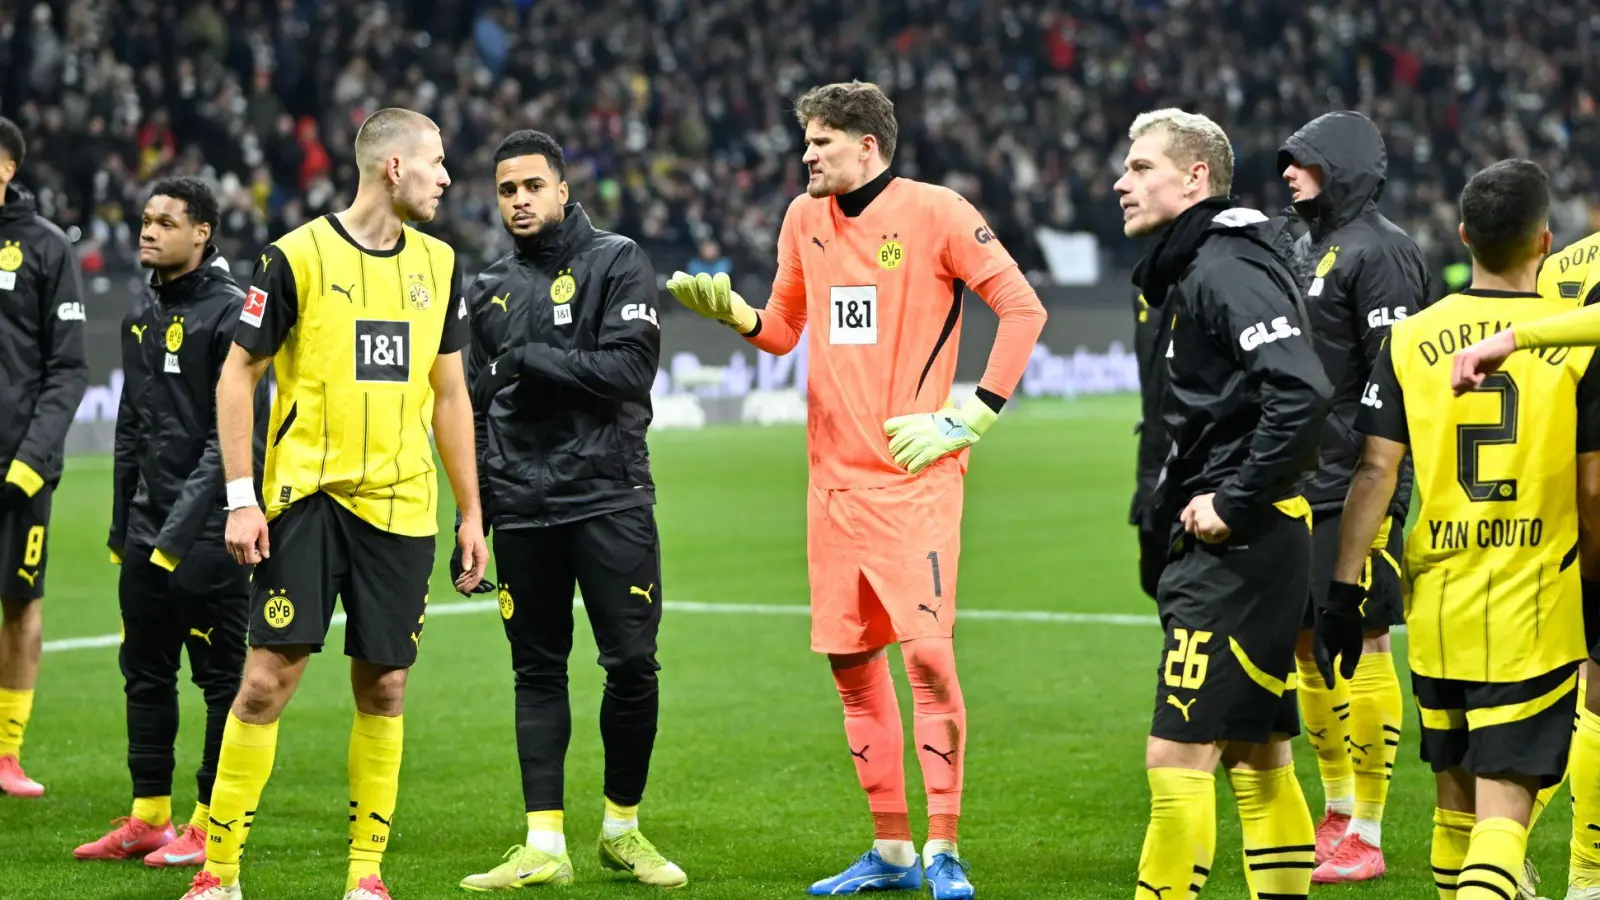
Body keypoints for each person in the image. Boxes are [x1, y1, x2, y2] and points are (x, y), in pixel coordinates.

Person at [665, 80, 1046, 899]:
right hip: (831, 487)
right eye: (805, 140)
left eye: (822, 142)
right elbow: (782, 331)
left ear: (867, 146)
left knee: (932, 661)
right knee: (850, 662)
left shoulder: (938, 212)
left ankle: (945, 847)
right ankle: (895, 851)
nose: (806, 154)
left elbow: (1022, 308)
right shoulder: (804, 220)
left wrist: (970, 415)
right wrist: (733, 313)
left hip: (914, 480)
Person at [177, 107, 489, 900]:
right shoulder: (294, 257)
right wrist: (241, 500)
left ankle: (365, 877)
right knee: (264, 683)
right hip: (306, 500)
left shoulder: (442, 264)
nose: (448, 178)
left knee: (385, 685)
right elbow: (236, 376)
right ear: (394, 168)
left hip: (401, 508)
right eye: (437, 162)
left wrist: (471, 514)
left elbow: (449, 394)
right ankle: (218, 874)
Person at [1333, 159, 1597, 900]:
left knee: (1456, 813)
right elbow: (1592, 483)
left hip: (1440, 599)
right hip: (1535, 602)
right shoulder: (1572, 342)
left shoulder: (1411, 336)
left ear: (1462, 237)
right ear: (1545, 241)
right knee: (1503, 819)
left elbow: (1375, 473)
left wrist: (1342, 589)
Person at [453, 130, 682, 890]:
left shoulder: (617, 262)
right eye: (506, 190)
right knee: (535, 671)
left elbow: (628, 367)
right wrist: (473, 517)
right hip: (521, 506)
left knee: (631, 665)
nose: (518, 201)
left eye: (531, 186)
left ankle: (623, 828)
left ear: (561, 189)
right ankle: (544, 845)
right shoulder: (485, 288)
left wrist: (528, 359)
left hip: (609, 496)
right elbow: (476, 412)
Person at [1117, 108, 1333, 900]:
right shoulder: (1199, 265)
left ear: (1196, 177)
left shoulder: (1223, 266)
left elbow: (1301, 391)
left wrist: (1234, 503)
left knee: (1177, 756)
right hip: (1252, 545)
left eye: (1142, 168)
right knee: (1257, 752)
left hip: (1239, 549)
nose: (1121, 182)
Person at [74, 178, 266, 867]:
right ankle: (150, 816)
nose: (146, 232)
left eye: (164, 222)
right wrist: (124, 531)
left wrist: (175, 539)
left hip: (215, 534)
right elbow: (131, 427)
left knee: (221, 682)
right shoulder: (142, 312)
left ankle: (211, 823)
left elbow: (230, 439)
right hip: (149, 535)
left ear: (202, 233)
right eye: (144, 219)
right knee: (145, 671)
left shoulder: (235, 315)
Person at [1276, 110, 1431, 881]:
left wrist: (1388, 484)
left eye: (1300, 163)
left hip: (1358, 485)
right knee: (1308, 646)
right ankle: (1336, 809)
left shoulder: (1385, 252)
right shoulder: (1309, 245)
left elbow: (1396, 376)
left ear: (1337, 167)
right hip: (1304, 481)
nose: (1287, 174)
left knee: (1364, 641)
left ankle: (1366, 832)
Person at [0, 115, 89, 799]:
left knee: (19, 602)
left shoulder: (44, 247)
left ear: (7, 168)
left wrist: (29, 461)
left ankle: (5, 752)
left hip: (18, 468)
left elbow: (67, 370)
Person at [1129, 287, 1168, 601]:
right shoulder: (1143, 283)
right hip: (1153, 453)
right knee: (1155, 580)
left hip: (1199, 453)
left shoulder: (1209, 273)